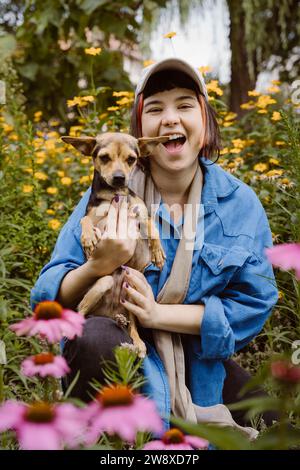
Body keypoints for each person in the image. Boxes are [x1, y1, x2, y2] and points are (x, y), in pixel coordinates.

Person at [30, 58, 279, 431]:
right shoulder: (107, 195)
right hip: (118, 342)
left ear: (206, 122)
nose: (170, 119)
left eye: (184, 105)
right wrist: (98, 265)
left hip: (195, 359)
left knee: (272, 417)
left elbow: (252, 305)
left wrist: (158, 315)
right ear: (140, 134)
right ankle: (110, 433)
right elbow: (47, 294)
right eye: (156, 108)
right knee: (92, 337)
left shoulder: (239, 204)